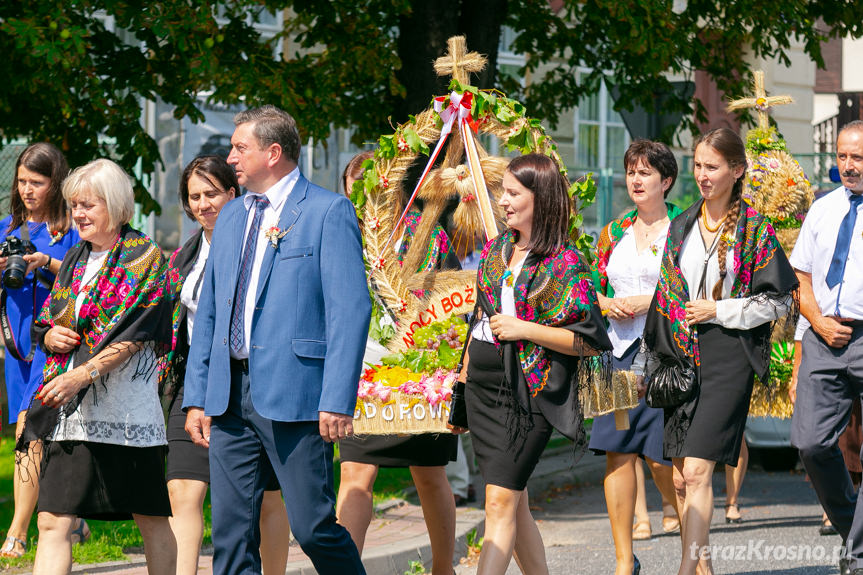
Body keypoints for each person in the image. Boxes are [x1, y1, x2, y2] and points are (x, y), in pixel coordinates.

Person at [183, 105, 370, 574]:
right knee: (229, 535)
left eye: (239, 147)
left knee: (313, 528)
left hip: (297, 394)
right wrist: (198, 396)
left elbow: (350, 310)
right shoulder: (230, 218)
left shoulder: (328, 211)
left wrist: (337, 398)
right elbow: (209, 311)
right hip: (228, 399)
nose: (230, 157)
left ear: (273, 152)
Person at [641, 127, 797, 575]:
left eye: (713, 166)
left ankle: (686, 571)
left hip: (729, 353)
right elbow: (666, 293)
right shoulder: (684, 222)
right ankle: (704, 564)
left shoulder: (754, 227)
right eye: (698, 165)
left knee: (696, 472)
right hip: (680, 353)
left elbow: (780, 301)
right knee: (679, 476)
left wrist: (720, 309)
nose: (703, 175)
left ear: (737, 170)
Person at [454, 153, 613, 575]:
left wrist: (524, 329)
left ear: (539, 198)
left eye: (512, 193)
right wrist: (463, 378)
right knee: (514, 501)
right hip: (485, 391)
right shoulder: (495, 249)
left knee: (499, 503)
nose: (502, 201)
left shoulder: (566, 263)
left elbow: (587, 341)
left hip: (531, 394)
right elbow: (479, 317)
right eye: (501, 192)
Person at [19, 158, 176, 574]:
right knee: (52, 520)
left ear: (115, 204)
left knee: (151, 518)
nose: (79, 215)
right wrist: (50, 335)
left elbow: (135, 336)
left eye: (88, 205)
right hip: (71, 414)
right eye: (74, 206)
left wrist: (82, 374)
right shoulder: (74, 256)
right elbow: (54, 319)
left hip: (126, 415)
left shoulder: (146, 259)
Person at [162, 155, 290, 575]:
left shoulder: (260, 241)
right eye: (194, 197)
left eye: (211, 194)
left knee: (267, 495)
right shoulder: (186, 254)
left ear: (232, 194)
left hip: (251, 381)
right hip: (195, 383)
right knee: (183, 488)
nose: (202, 204)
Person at [336, 151, 457, 575]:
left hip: (420, 374)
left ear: (395, 187)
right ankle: (346, 570)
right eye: (355, 194)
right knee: (354, 473)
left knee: (429, 474)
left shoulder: (429, 237)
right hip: (359, 373)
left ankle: (444, 566)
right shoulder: (339, 236)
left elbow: (451, 303)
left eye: (373, 191)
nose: (364, 202)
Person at [588, 139, 681, 575]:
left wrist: (650, 302)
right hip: (617, 357)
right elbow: (591, 288)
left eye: (645, 172)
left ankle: (686, 529)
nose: (636, 180)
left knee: (665, 458)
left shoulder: (683, 229)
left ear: (666, 181)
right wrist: (607, 305)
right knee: (618, 451)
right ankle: (625, 561)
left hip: (667, 356)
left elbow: (693, 291)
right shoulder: (613, 231)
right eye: (631, 172)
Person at [0, 143, 80, 558]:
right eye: (22, 182)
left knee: (27, 434)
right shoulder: (6, 228)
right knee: (40, 435)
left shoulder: (71, 228)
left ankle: (17, 531)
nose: (28, 190)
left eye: (38, 182)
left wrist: (43, 262)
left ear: (56, 183)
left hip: (56, 346)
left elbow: (84, 275)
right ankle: (73, 511)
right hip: (19, 351)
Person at [790, 120, 863, 575]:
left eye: (858, 157)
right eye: (842, 156)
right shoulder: (822, 208)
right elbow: (801, 275)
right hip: (824, 336)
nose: (848, 165)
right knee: (811, 443)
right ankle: (855, 529)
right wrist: (814, 323)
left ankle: (856, 555)